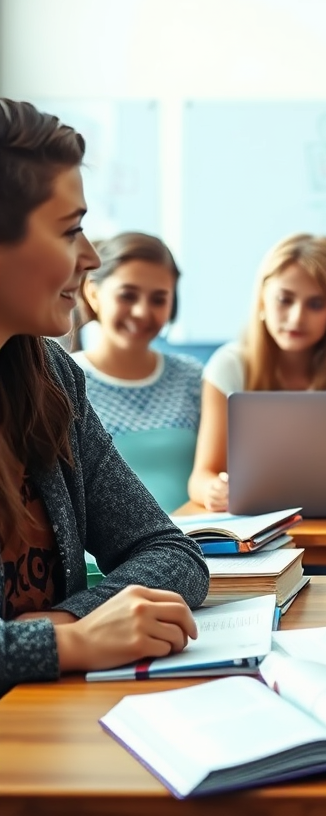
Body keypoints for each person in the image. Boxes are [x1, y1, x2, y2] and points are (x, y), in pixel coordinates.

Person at [0, 99, 207, 693]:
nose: (90, 258)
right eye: (70, 230)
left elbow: (169, 552)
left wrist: (68, 619)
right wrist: (66, 643)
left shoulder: (51, 377)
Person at [188, 233, 326, 511]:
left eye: (315, 304)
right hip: (254, 535)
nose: (297, 317)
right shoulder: (229, 366)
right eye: (285, 300)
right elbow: (201, 476)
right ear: (262, 300)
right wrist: (214, 491)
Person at [71, 233, 202, 511]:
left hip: (199, 546)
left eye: (158, 299)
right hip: (104, 554)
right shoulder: (66, 379)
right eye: (127, 295)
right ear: (93, 293)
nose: (142, 312)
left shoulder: (192, 378)